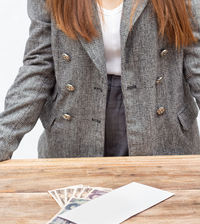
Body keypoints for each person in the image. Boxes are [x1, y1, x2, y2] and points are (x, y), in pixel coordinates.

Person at [0, 0, 200, 162]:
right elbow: (38, 68)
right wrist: (4, 138)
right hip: (74, 130)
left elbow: (197, 66)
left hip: (162, 131)